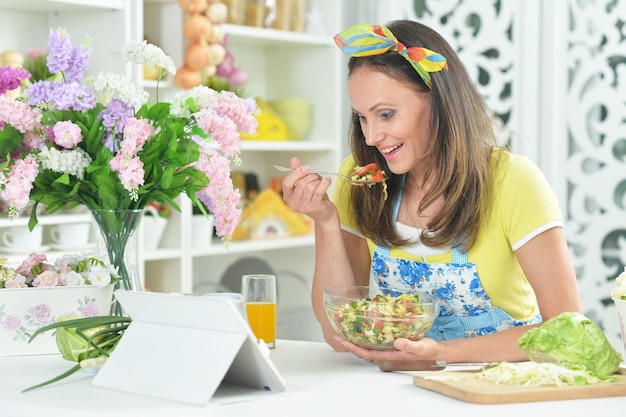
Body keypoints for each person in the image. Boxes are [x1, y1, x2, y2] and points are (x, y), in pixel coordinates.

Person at [280, 20, 582, 367]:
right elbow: (339, 333)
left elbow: (566, 329)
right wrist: (325, 221)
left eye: (387, 114)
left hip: (493, 389)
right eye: (362, 118)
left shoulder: (512, 181)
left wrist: (442, 354)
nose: (371, 137)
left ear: (437, 101)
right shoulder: (361, 177)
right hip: (402, 387)